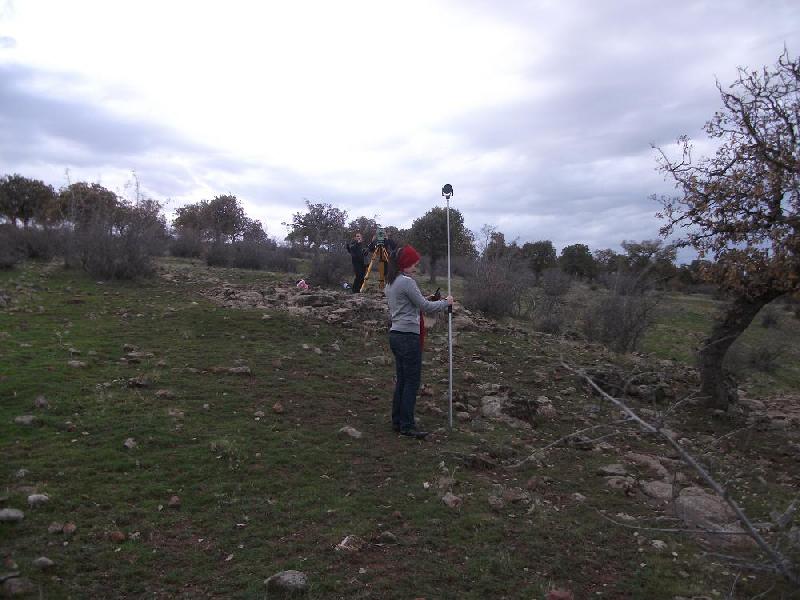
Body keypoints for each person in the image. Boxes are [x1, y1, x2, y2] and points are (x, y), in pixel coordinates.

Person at [385, 245, 453, 439]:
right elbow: (424, 307)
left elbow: (410, 304)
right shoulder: (407, 282)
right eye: (414, 263)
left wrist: (428, 299)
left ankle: (398, 421)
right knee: (411, 382)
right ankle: (407, 425)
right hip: (408, 337)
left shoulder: (391, 282)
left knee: (402, 380)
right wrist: (446, 303)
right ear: (405, 264)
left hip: (395, 335)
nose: (416, 266)